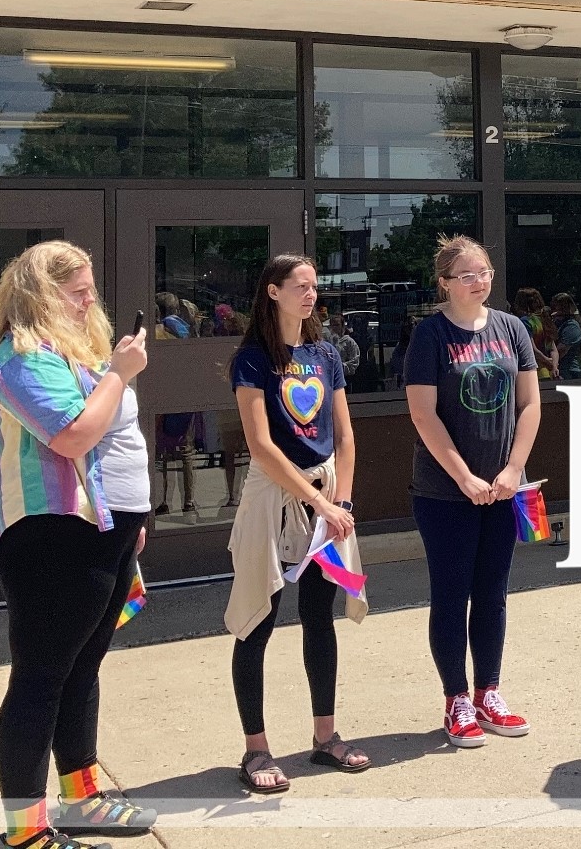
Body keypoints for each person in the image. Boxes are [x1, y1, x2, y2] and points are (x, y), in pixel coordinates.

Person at [0, 240, 156, 849]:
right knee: (41, 677)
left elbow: (110, 441)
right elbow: (73, 436)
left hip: (97, 526)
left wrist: (129, 518)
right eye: (76, 291)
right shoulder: (22, 356)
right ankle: (26, 832)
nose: (90, 299)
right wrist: (119, 373)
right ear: (40, 295)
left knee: (81, 668)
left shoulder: (72, 354)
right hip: (47, 533)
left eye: (90, 287)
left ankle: (82, 800)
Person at [224, 254, 369, 794]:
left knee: (319, 615)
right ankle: (256, 749)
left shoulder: (326, 354)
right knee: (257, 620)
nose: (310, 295)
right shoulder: (254, 358)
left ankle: (325, 737)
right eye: (299, 286)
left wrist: (342, 503)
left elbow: (346, 434)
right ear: (272, 292)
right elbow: (260, 444)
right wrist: (316, 500)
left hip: (328, 498)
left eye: (313, 286)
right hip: (275, 498)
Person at [405, 236, 543, 747]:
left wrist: (513, 470)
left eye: (484, 272)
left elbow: (529, 404)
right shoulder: (430, 335)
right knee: (451, 594)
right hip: (444, 493)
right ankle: (456, 700)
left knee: (493, 593)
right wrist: (464, 476)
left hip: (505, 489)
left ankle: (489, 692)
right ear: (444, 282)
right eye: (467, 275)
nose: (479, 282)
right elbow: (423, 414)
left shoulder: (511, 328)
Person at [511, 287, 557, 379]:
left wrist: (546, 361)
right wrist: (554, 366)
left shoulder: (525, 322)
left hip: (535, 372)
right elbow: (553, 349)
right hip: (551, 372)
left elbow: (532, 349)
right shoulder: (545, 319)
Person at [550, 292, 581, 380]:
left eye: (558, 306)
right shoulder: (558, 323)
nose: (554, 310)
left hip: (568, 372)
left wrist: (546, 361)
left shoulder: (572, 326)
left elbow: (561, 350)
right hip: (559, 370)